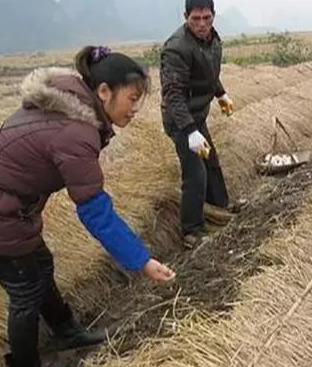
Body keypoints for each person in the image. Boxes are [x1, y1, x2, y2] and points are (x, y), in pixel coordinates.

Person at [0, 46, 175, 367]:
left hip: (14, 211)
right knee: (24, 292)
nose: (135, 109)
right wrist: (142, 261)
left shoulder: (65, 111)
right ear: (104, 92)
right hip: (6, 215)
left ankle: (65, 331)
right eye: (132, 99)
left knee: (40, 265)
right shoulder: (75, 132)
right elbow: (95, 211)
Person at [160, 0, 235, 249]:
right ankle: (191, 231)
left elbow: (210, 73)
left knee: (210, 162)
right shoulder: (176, 48)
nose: (202, 24)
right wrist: (190, 131)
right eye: (196, 19)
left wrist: (221, 94)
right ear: (185, 16)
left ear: (214, 16)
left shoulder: (213, 40)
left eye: (206, 18)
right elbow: (173, 95)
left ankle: (219, 208)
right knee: (195, 172)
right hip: (180, 120)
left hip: (197, 115)